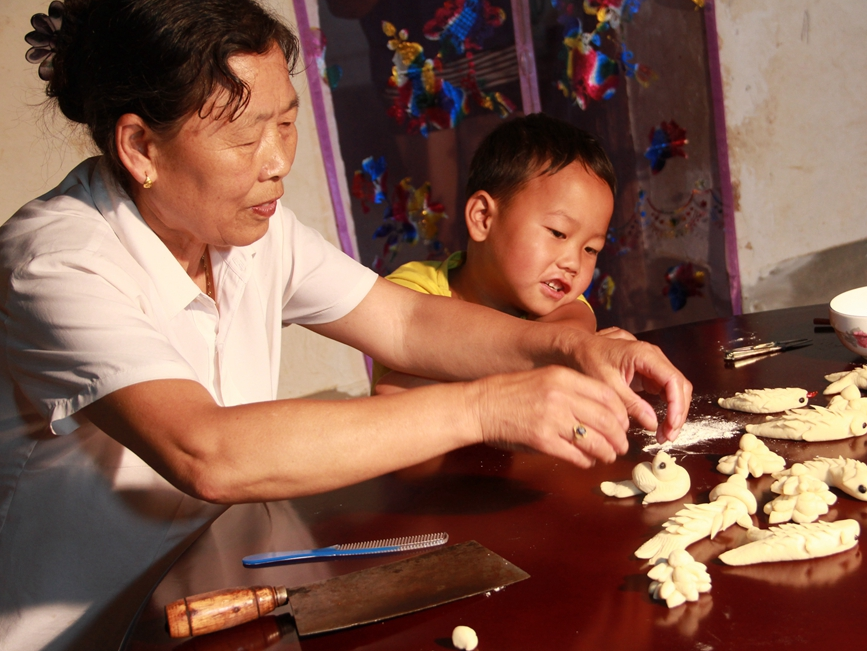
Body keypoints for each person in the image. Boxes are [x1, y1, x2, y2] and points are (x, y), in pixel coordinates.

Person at [0, 1, 691, 649]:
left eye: (286, 123)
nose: (278, 162)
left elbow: (405, 321)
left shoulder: (250, 230)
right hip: (88, 630)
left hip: (218, 584)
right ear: (140, 147)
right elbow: (207, 452)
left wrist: (571, 345)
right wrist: (488, 406)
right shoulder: (57, 263)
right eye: (245, 136)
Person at [374, 112, 630, 393]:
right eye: (558, 233)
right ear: (483, 217)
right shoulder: (411, 291)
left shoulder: (558, 301)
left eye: (591, 249)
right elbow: (393, 392)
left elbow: (567, 339)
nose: (573, 263)